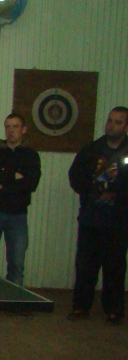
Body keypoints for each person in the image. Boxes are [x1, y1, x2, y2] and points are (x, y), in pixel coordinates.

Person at [68, 106, 128, 325]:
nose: (111, 125)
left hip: (118, 221)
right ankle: (80, 306)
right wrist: (94, 191)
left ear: (126, 126)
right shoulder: (91, 150)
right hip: (91, 219)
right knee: (85, 266)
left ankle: (114, 310)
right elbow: (75, 176)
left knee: (115, 268)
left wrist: (115, 193)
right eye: (110, 120)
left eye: (118, 122)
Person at [0, 112, 41, 287]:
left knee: (17, 265)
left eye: (15, 126)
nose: (10, 130)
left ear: (24, 129)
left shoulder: (31, 155)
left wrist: (2, 183)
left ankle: (15, 300)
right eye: (7, 126)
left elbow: (31, 184)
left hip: (18, 215)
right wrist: (15, 177)